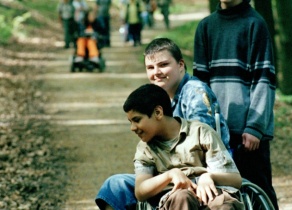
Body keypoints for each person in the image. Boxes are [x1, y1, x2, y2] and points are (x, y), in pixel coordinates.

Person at [95, 38, 231, 210]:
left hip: (200, 172)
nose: (156, 72)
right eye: (150, 68)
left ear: (181, 65)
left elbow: (201, 148)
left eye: (163, 65)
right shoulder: (161, 95)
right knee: (115, 186)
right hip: (169, 172)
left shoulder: (194, 93)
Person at [192, 0, 279, 209]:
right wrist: (201, 128)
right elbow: (200, 85)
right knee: (222, 196)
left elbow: (264, 79)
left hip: (248, 132)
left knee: (259, 191)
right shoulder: (206, 26)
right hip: (215, 131)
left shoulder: (255, 24)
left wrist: (255, 126)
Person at [124, 83, 244, 209]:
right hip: (177, 199)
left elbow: (235, 179)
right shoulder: (145, 148)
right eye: (130, 122)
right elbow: (140, 192)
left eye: (137, 120)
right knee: (182, 198)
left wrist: (209, 176)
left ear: (158, 112)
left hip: (211, 191)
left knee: (223, 204)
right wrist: (169, 175)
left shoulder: (201, 132)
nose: (132, 128)